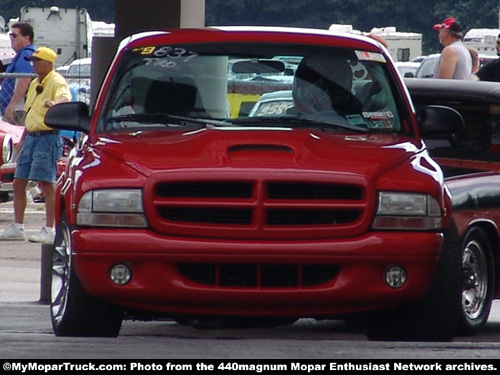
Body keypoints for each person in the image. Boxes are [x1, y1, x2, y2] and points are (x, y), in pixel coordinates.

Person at [0, 47, 71, 244]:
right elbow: (31, 112)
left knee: (47, 183)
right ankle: (18, 226)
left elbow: (65, 97)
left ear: (49, 63)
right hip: (31, 136)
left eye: (38, 61)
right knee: (18, 181)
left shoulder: (56, 80)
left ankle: (50, 228)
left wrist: (54, 103)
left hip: (47, 137)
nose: (34, 64)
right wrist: (23, 136)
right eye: (33, 61)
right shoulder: (34, 83)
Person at [0, 22, 36, 124]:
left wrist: (12, 105)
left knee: (15, 138)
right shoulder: (21, 55)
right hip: (13, 108)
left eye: (14, 35)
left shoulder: (26, 54)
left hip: (18, 110)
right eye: (10, 35)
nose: (11, 38)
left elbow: (24, 80)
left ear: (26, 38)